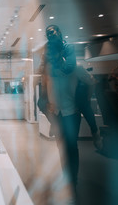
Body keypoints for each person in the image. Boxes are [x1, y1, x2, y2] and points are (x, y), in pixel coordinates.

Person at [38, 25, 80, 198]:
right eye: (48, 33)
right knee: (62, 147)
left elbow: (69, 67)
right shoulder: (47, 54)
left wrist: (53, 62)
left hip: (71, 110)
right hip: (57, 111)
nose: (50, 34)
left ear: (60, 33)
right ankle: (66, 175)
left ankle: (73, 179)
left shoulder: (68, 48)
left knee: (71, 146)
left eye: (53, 31)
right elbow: (42, 71)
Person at [75, 65, 102, 150]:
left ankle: (96, 137)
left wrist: (88, 96)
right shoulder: (70, 69)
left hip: (82, 101)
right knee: (77, 125)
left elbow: (92, 82)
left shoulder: (78, 68)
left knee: (91, 121)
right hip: (75, 102)